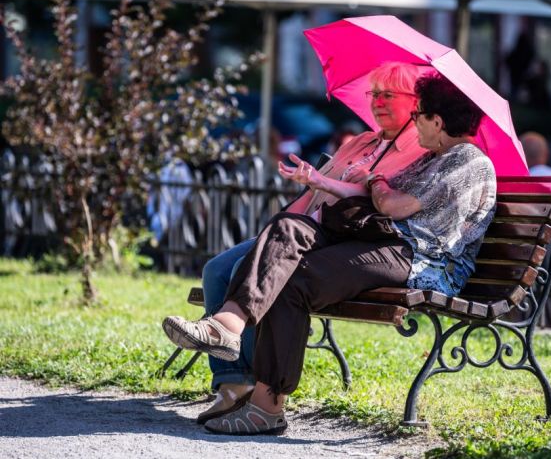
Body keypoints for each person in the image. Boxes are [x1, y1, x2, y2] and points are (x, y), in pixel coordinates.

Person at [162, 73, 497, 435]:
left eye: (419, 116)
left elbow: (394, 205)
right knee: (288, 228)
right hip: (384, 244)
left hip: (421, 261)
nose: (414, 122)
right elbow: (376, 200)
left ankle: (266, 408)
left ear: (438, 121)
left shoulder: (467, 160)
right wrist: (326, 182)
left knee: (296, 280)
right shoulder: (434, 158)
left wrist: (374, 180)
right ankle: (226, 325)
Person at [194, 62, 429, 423]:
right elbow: (314, 192)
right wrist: (291, 209)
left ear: (415, 102)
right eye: (374, 94)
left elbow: (385, 205)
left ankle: (247, 379)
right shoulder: (362, 140)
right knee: (217, 269)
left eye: (388, 95)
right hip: (301, 229)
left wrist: (357, 182)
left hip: (337, 239)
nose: (378, 102)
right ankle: (233, 384)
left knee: (246, 271)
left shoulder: (419, 148)